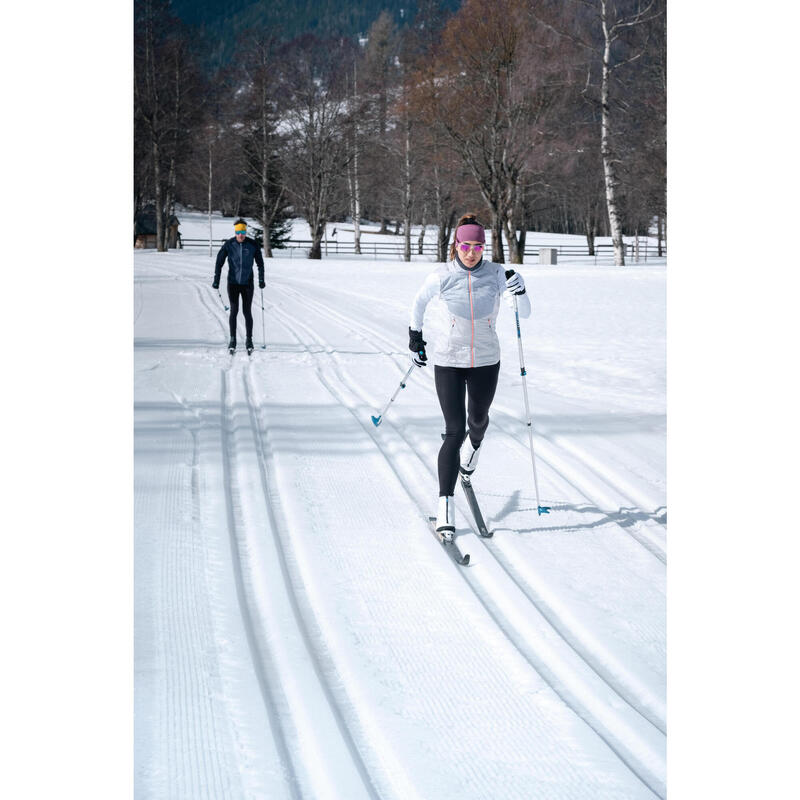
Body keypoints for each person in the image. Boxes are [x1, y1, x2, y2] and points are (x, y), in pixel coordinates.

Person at [408, 213, 530, 541]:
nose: (471, 252)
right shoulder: (442, 275)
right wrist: (415, 336)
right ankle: (445, 504)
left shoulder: (497, 274)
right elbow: (418, 303)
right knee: (453, 430)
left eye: (477, 246)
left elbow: (526, 313)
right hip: (449, 360)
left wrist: (520, 290)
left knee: (478, 421)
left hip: (487, 360)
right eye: (465, 245)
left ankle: (472, 452)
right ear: (456, 246)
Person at [212, 219, 265, 353]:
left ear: (245, 232)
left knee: (247, 311)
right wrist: (216, 279)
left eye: (243, 232)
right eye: (238, 232)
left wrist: (261, 279)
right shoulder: (229, 245)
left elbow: (260, 264)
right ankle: (233, 339)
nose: (241, 235)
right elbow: (219, 262)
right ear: (235, 232)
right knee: (234, 311)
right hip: (233, 284)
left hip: (247, 284)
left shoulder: (252, 245)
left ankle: (249, 340)